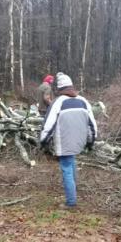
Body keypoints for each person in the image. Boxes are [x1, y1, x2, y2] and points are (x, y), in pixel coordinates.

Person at [40, 72, 97, 208]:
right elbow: (92, 124)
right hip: (78, 141)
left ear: (59, 89)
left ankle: (71, 202)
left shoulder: (58, 102)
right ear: (71, 86)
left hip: (64, 140)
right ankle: (73, 193)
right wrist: (91, 141)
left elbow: (49, 124)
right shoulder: (83, 101)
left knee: (66, 168)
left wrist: (43, 141)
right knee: (71, 164)